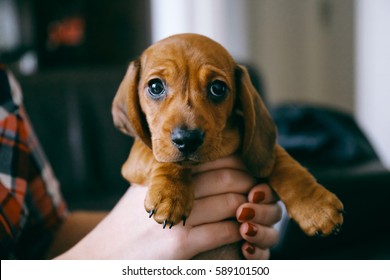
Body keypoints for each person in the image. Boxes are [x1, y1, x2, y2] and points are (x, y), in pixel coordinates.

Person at [0, 65, 281, 260]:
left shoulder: (4, 87)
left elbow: (45, 237)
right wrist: (105, 255)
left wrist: (212, 229)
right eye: (156, 87)